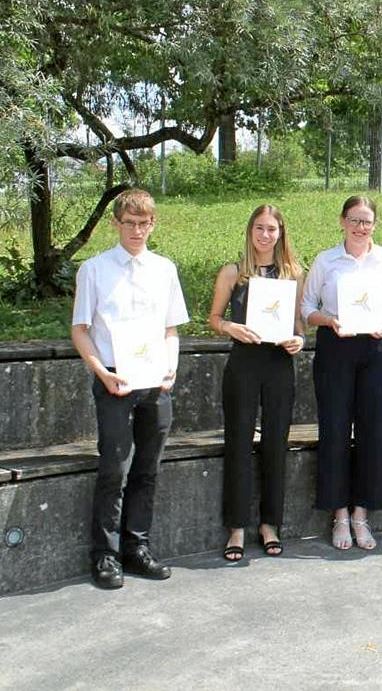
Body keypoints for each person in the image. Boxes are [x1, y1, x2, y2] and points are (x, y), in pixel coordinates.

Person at [71, 188, 189, 589]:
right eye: (130, 223)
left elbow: (170, 329)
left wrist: (171, 368)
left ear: (153, 223)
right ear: (116, 224)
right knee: (114, 469)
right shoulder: (95, 270)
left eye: (144, 223)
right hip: (115, 381)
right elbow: (80, 330)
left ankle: (136, 547)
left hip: (156, 383)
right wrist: (101, 373)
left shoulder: (164, 269)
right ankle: (104, 555)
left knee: (148, 470)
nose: (137, 230)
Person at [302, 195, 382, 551]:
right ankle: (339, 516)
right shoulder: (326, 260)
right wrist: (330, 320)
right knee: (334, 430)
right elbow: (306, 308)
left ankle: (361, 514)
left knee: (373, 430)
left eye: (367, 221)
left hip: (376, 348)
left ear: (375, 224)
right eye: (354, 220)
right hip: (336, 346)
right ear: (342, 221)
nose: (361, 227)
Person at [208, 205, 305, 562]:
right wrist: (230, 327)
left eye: (272, 229)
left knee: (276, 445)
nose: (265, 235)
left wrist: (299, 340)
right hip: (244, 364)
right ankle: (236, 526)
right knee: (238, 443)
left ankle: (269, 524)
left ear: (281, 233)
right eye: (260, 228)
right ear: (251, 231)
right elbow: (214, 318)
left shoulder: (294, 274)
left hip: (279, 365)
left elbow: (298, 326)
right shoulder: (233, 273)